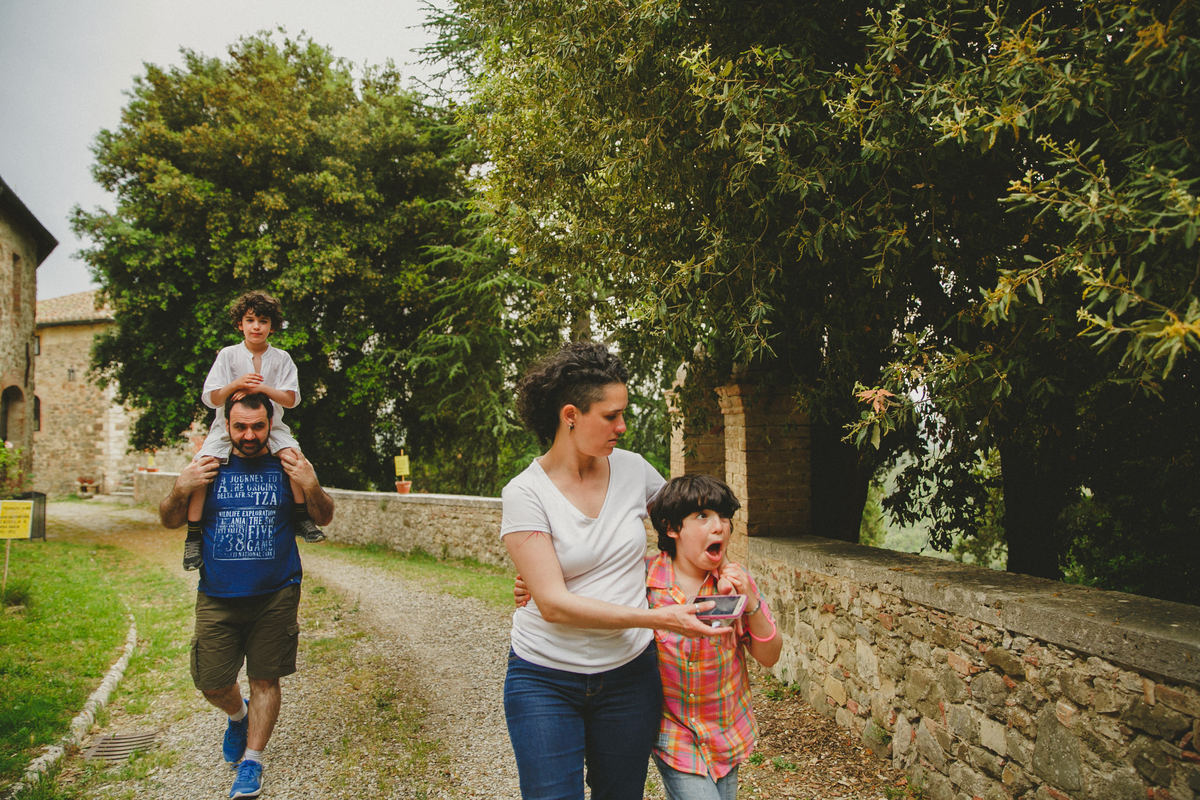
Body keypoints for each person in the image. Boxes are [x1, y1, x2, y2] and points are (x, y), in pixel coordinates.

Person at [501, 341, 732, 800]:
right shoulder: (525, 493)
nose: (622, 427)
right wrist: (658, 618)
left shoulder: (634, 471)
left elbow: (690, 531)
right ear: (571, 415)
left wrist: (722, 571)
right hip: (545, 678)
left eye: (623, 413)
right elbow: (554, 605)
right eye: (610, 416)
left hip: (630, 678)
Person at [160, 392, 334, 799]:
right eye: (241, 427)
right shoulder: (209, 465)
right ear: (227, 426)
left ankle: (252, 762)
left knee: (265, 679)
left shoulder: (287, 464)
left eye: (258, 426)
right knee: (211, 682)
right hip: (217, 594)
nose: (250, 435)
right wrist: (179, 488)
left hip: (276, 592)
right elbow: (169, 519)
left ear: (270, 425)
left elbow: (323, 517)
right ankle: (237, 716)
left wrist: (312, 484)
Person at [646, 474, 781, 800]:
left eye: (724, 517)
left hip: (726, 731)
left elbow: (769, 656)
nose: (719, 526)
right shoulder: (645, 582)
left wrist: (751, 604)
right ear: (672, 528)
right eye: (703, 516)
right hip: (674, 734)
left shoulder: (738, 583)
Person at [182, 290, 324, 573]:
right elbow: (211, 399)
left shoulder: (282, 358)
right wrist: (236, 385)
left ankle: (301, 517)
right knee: (202, 467)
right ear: (240, 325)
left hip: (271, 426)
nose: (256, 326)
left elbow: (291, 399)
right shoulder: (228, 355)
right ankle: (193, 535)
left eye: (263, 320)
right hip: (229, 427)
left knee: (293, 458)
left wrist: (260, 388)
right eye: (250, 320)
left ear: (272, 326)